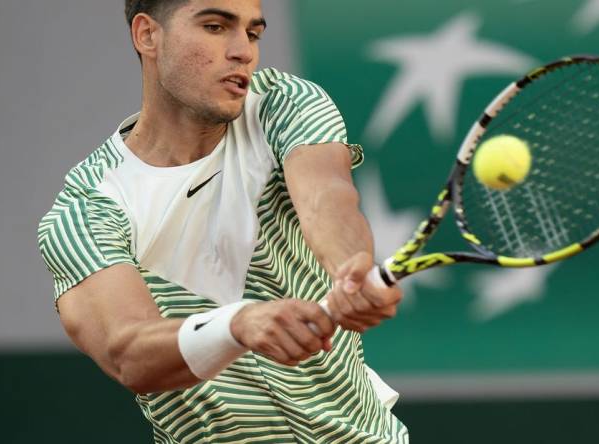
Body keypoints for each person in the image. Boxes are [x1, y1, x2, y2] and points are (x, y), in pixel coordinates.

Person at [37, 0, 409, 442]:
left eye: (253, 34)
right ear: (147, 35)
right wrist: (238, 325)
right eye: (215, 27)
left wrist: (352, 269)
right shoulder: (87, 207)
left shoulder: (283, 104)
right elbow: (129, 353)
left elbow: (327, 199)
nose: (242, 51)